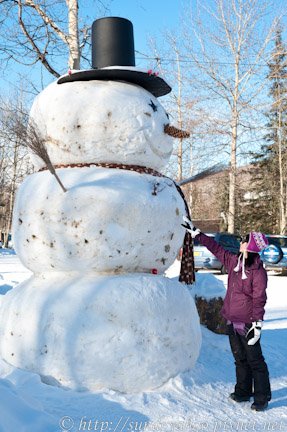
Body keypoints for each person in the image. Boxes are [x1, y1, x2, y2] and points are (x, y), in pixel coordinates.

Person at [182, 217, 271, 412]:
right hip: (231, 319)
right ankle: (243, 391)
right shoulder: (233, 262)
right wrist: (197, 234)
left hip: (248, 323)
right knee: (239, 358)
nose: (240, 243)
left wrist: (257, 324)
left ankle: (262, 397)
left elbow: (259, 299)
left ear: (252, 247)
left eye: (244, 240)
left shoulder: (258, 273)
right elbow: (216, 248)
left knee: (255, 361)